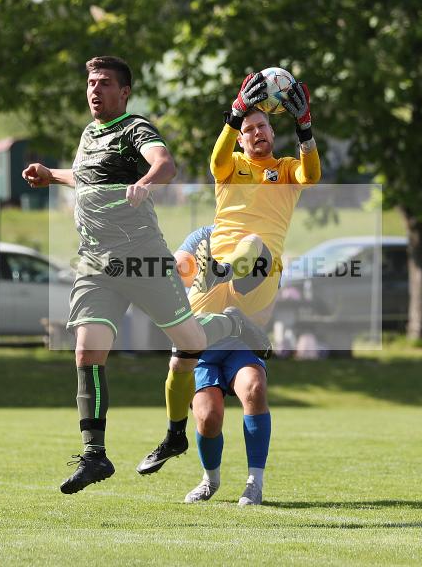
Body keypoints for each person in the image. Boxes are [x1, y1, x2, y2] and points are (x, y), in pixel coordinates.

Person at [20, 56, 271, 495]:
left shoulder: (134, 127)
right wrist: (51, 176)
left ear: (124, 92)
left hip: (142, 258)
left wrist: (148, 181)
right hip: (96, 264)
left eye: (104, 83)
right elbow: (84, 177)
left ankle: (232, 322)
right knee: (86, 351)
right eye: (91, 83)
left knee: (188, 342)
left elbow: (165, 163)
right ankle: (94, 454)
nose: (94, 90)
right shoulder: (88, 134)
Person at [137, 72, 320, 506]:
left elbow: (312, 173)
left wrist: (307, 127)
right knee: (209, 416)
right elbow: (217, 154)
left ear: (274, 131)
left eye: (263, 127)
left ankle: (254, 482)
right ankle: (210, 477)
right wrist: (235, 114)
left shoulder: (286, 170)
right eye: (250, 129)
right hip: (208, 304)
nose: (257, 133)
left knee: (254, 386)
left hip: (254, 280)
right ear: (241, 138)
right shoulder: (230, 166)